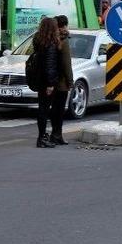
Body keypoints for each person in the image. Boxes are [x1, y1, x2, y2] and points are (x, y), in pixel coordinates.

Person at [33, 17, 61, 148]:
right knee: (44, 110)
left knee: (42, 109)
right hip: (47, 81)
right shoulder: (50, 44)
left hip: (39, 79)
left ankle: (42, 137)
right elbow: (50, 65)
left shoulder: (39, 41)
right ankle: (42, 138)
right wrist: (51, 84)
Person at [51, 15, 75, 145]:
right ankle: (57, 135)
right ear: (65, 25)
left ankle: (53, 134)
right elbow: (66, 63)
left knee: (53, 108)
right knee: (59, 110)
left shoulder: (50, 38)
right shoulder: (64, 41)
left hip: (50, 79)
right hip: (61, 81)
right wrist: (70, 81)